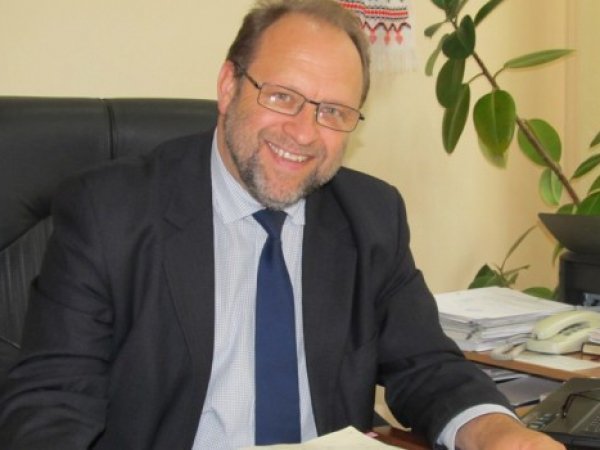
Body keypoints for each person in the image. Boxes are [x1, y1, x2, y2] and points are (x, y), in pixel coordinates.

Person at [0, 1, 565, 449]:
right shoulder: (110, 211)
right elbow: (52, 402)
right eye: (282, 96)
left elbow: (425, 363)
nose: (304, 132)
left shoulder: (371, 214)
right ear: (228, 86)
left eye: (334, 111)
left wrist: (496, 432)